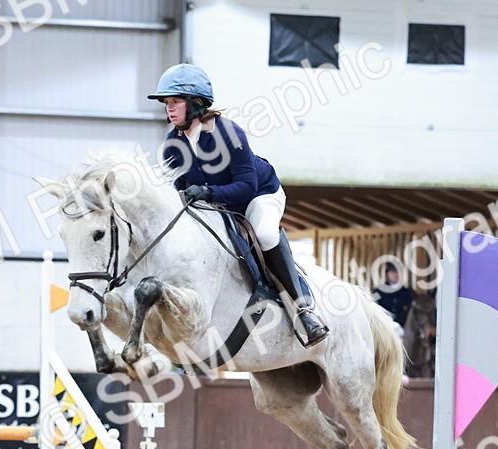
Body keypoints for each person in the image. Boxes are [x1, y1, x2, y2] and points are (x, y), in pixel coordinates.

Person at [148, 63, 329, 347]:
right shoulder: (172, 143)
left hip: (259, 196)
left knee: (265, 234)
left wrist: (207, 192)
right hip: (219, 205)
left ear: (196, 103)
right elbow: (179, 189)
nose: (169, 109)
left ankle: (304, 310)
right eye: (166, 103)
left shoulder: (227, 132)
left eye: (175, 102)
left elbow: (247, 186)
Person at [374, 263, 414, 329]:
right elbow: (372, 305)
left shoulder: (407, 292)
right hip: (384, 327)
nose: (395, 274)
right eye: (392, 272)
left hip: (404, 328)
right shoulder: (378, 291)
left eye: (397, 272)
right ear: (388, 274)